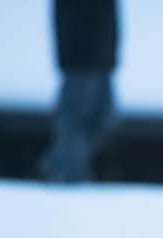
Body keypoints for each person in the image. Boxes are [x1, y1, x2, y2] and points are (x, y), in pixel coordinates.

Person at [37, 0, 119, 183]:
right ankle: (71, 175)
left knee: (104, 119)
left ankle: (57, 163)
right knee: (74, 121)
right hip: (79, 60)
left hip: (103, 61)